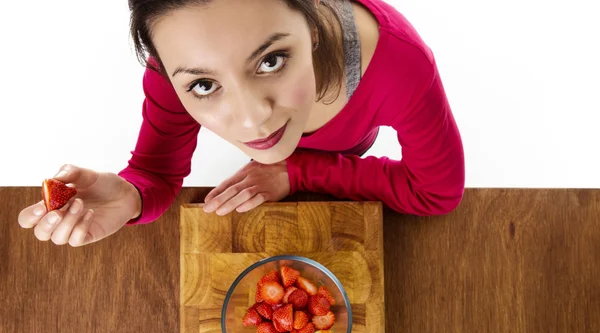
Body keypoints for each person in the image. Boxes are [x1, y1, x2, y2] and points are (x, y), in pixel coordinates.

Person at [18, 0, 465, 247]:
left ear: (311, 22)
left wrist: (299, 170)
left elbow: (436, 191)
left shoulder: (398, 63)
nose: (253, 120)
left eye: (271, 60)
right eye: (204, 86)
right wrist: (133, 195)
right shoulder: (169, 72)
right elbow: (155, 172)